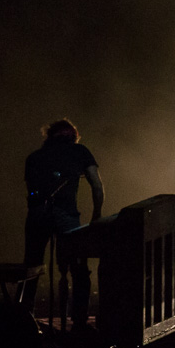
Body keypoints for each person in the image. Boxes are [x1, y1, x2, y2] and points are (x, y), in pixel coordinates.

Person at [23, 118, 104, 328]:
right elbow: (96, 184)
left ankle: (23, 317)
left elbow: (31, 191)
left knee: (30, 268)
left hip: (37, 214)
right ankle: (79, 319)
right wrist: (97, 214)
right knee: (78, 268)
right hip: (66, 214)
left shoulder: (34, 157)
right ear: (74, 136)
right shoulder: (79, 151)